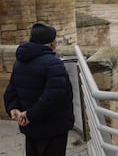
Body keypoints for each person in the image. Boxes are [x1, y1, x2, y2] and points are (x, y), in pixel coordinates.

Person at [3, 23, 74, 156]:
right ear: (52, 43)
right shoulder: (53, 63)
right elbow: (53, 96)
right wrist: (29, 115)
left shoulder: (19, 62)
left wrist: (14, 109)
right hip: (52, 127)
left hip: (29, 127)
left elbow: (11, 90)